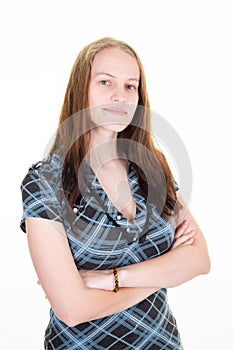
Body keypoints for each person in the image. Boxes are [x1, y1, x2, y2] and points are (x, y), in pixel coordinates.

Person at [20, 37, 210, 349]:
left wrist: (109, 279)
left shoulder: (152, 168)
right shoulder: (45, 182)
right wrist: (163, 275)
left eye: (130, 86)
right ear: (82, 88)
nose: (118, 96)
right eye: (105, 81)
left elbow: (200, 259)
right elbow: (72, 309)